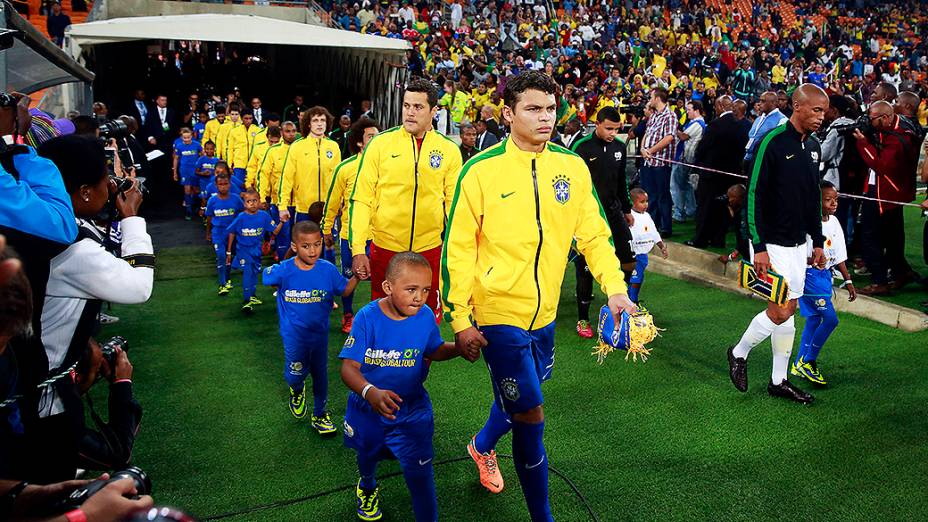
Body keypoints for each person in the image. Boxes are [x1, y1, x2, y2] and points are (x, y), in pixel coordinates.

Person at [442, 71, 636, 521]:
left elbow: (594, 235)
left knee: (521, 397)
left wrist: (615, 290)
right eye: (533, 108)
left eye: (550, 108)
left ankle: (481, 445)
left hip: (544, 315)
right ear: (508, 113)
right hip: (496, 313)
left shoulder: (571, 166)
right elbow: (459, 247)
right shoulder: (480, 170)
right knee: (531, 416)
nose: (544, 117)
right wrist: (459, 317)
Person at [34, 135, 153, 483]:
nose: (112, 185)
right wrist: (131, 217)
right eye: (107, 178)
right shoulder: (72, 251)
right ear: (85, 191)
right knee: (61, 478)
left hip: (37, 378)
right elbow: (138, 286)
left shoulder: (46, 228)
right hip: (44, 400)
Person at [339, 252, 473, 522]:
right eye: (411, 289)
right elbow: (348, 369)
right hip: (368, 408)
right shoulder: (367, 317)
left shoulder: (424, 316)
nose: (419, 297)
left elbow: (433, 349)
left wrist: (458, 348)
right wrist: (370, 392)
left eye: (425, 290)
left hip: (412, 410)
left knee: (422, 475)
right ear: (388, 287)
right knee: (368, 455)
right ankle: (367, 485)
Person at [727, 84, 830, 405]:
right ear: (797, 107)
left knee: (792, 308)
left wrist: (817, 242)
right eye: (816, 110)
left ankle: (778, 380)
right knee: (782, 308)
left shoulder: (814, 146)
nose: (821, 117)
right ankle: (738, 352)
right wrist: (757, 245)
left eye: (824, 112)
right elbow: (753, 193)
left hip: (800, 243)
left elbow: (814, 197)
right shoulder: (771, 141)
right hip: (771, 243)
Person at [349, 77, 463, 322]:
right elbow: (362, 198)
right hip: (386, 248)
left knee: (424, 322)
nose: (410, 113)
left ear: (434, 111)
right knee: (384, 320)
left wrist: (455, 252)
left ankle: (422, 363)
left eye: (418, 107)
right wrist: (358, 249)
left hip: (429, 249)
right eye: (406, 105)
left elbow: (453, 208)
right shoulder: (380, 145)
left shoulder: (449, 150)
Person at [263, 221, 358, 435]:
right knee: (295, 374)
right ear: (295, 246)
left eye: (317, 244)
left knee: (320, 374)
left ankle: (319, 414)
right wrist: (283, 273)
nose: (313, 250)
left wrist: (358, 277)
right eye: (306, 246)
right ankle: (296, 389)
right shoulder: (284, 270)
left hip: (319, 335)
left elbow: (343, 290)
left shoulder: (327, 269)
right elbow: (267, 277)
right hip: (293, 337)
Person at [569, 106, 635, 338]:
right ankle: (583, 318)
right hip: (589, 215)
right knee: (585, 267)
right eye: (608, 128)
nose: (612, 133)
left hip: (614, 212)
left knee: (628, 260)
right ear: (597, 124)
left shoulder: (619, 147)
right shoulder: (581, 148)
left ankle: (624, 302)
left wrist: (627, 210)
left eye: (617, 129)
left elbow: (621, 181)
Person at [791, 182, 857, 385]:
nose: (834, 203)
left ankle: (798, 363)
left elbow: (839, 255)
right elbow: (795, 253)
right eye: (828, 199)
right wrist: (811, 261)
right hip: (809, 277)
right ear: (816, 201)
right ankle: (809, 361)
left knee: (813, 320)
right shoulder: (806, 224)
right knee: (830, 320)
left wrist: (848, 280)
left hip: (824, 279)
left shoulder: (835, 222)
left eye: (835, 199)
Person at [853, 101, 920, 295]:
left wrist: (862, 142)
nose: (869, 122)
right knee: (893, 237)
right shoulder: (902, 129)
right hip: (890, 192)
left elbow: (880, 166)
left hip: (884, 193)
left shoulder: (900, 138)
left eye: (872, 119)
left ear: (885, 118)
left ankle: (879, 280)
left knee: (871, 236)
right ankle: (901, 272)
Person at [322, 117, 379, 334]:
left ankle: (379, 319)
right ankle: (348, 315)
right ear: (358, 142)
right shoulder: (345, 169)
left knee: (381, 279)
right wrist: (326, 228)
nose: (375, 140)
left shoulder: (386, 167)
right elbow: (333, 202)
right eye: (370, 137)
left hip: (379, 236)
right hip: (351, 235)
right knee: (349, 278)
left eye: (377, 136)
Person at [689, 95, 749, 248]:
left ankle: (700, 240)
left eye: (716, 106)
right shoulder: (743, 125)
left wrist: (698, 162)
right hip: (731, 175)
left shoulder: (716, 124)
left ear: (721, 106)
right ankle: (718, 240)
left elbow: (702, 147)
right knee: (723, 209)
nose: (714, 109)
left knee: (705, 207)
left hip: (711, 175)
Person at [277, 107, 342, 227]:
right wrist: (282, 206)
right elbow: (287, 177)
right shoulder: (297, 146)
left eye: (323, 120)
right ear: (308, 124)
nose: (319, 124)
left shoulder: (333, 147)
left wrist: (340, 203)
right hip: (304, 209)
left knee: (327, 245)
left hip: (328, 209)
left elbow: (338, 179)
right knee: (305, 244)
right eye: (315, 120)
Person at [225, 189, 283, 314]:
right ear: (244, 204)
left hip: (256, 251)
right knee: (247, 272)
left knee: (254, 273)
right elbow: (231, 232)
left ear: (259, 201)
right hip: (243, 250)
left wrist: (282, 222)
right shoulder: (241, 218)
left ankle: (252, 295)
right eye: (249, 201)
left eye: (255, 200)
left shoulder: (264, 216)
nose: (252, 203)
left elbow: (275, 231)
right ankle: (246, 301)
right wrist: (229, 252)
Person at [258, 121, 298, 261]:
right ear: (281, 132)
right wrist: (262, 198)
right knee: (283, 236)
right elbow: (264, 175)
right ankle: (283, 266)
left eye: (293, 131)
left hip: (300, 203)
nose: (291, 134)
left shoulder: (300, 149)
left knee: (299, 237)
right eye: (288, 131)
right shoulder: (273, 151)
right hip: (279, 202)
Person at [639, 87, 677, 235]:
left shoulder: (670, 116)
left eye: (651, 97)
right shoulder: (653, 116)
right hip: (648, 161)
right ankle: (651, 226)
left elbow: (669, 138)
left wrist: (650, 151)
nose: (649, 100)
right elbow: (647, 133)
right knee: (649, 196)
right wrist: (642, 148)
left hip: (660, 163)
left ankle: (665, 228)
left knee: (662, 196)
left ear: (657, 98)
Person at [627, 188, 669, 303]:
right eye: (642, 202)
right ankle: (632, 302)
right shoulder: (629, 217)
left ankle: (630, 301)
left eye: (646, 201)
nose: (645, 204)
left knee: (638, 278)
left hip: (643, 255)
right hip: (632, 255)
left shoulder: (647, 216)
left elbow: (653, 232)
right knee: (635, 278)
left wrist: (661, 246)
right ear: (632, 203)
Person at [206, 173, 244, 295]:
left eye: (225, 184)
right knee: (221, 255)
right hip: (218, 232)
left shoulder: (236, 199)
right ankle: (222, 283)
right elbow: (209, 218)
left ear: (230, 184)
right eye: (220, 184)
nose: (223, 187)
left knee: (231, 255)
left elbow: (242, 214)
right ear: (216, 185)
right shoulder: (212, 201)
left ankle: (227, 277)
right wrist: (208, 233)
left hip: (233, 233)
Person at [671, 100, 705, 223]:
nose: (687, 112)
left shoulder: (698, 123)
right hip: (686, 157)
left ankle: (679, 213)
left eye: (689, 109)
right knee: (686, 185)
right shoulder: (694, 122)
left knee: (675, 185)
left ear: (696, 110)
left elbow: (683, 136)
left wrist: (674, 127)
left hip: (684, 158)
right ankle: (691, 210)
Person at [743, 91, 787, 165]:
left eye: (763, 101)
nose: (759, 103)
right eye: (760, 100)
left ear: (773, 103)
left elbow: (780, 146)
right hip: (748, 158)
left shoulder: (782, 120)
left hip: (764, 162)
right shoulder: (759, 118)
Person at [172, 128, 202, 220]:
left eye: (188, 137)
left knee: (196, 190)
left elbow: (203, 156)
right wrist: (175, 172)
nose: (187, 139)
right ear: (182, 138)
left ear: (191, 136)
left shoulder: (197, 145)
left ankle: (197, 207)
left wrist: (202, 168)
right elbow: (176, 159)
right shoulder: (179, 147)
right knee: (187, 190)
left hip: (195, 170)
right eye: (184, 138)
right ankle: (188, 211)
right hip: (184, 171)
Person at [195, 140, 219, 208]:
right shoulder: (201, 159)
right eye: (207, 149)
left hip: (213, 183)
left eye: (211, 149)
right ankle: (203, 214)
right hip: (203, 183)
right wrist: (203, 173)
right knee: (204, 200)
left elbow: (219, 172)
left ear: (214, 149)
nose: (209, 151)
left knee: (213, 200)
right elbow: (196, 171)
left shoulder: (217, 160)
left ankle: (211, 215)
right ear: (204, 149)